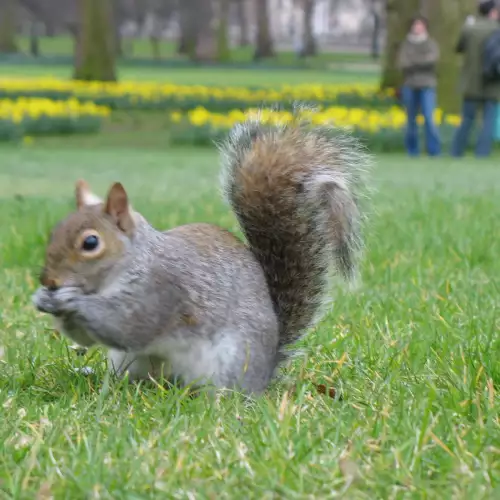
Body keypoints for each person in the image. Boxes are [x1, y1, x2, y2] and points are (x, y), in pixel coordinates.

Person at [451, 0, 500, 158]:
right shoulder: (497, 29)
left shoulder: (470, 29)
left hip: (471, 83)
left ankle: (457, 151)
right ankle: (482, 153)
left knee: (467, 120)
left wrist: (467, 26)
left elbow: (458, 48)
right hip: (492, 83)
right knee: (487, 123)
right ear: (492, 12)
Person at [398, 15, 441, 157]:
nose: (417, 28)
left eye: (420, 25)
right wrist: (422, 61)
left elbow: (433, 60)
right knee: (411, 120)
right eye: (415, 25)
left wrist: (414, 61)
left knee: (429, 118)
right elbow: (403, 63)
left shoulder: (431, 43)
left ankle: (433, 151)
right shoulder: (406, 44)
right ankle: (412, 151)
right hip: (410, 86)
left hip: (427, 86)